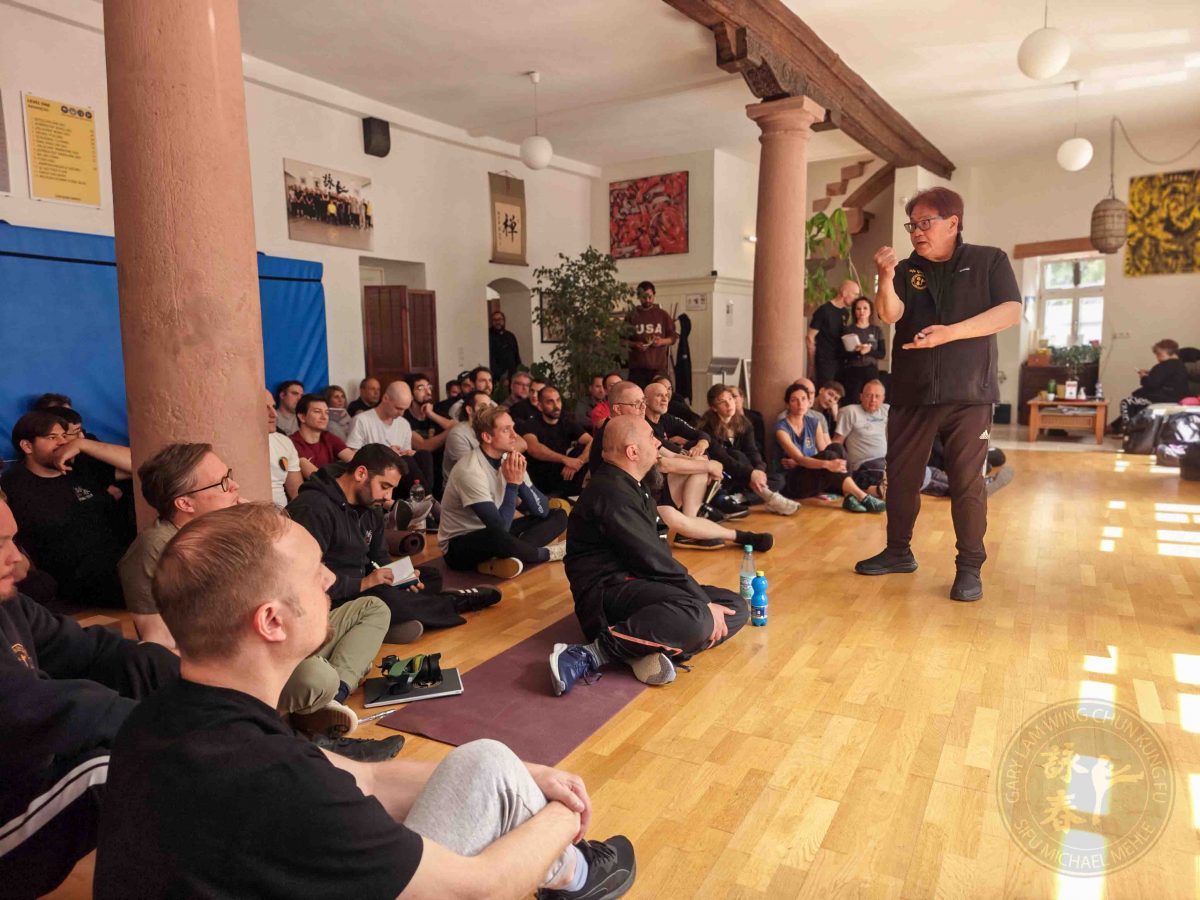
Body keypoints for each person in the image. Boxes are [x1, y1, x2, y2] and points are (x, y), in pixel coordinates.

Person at [94, 502, 635, 900]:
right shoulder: (272, 778)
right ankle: (575, 873)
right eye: (315, 573)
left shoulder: (164, 716)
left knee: (489, 760)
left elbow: (367, 779)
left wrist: (528, 775)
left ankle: (570, 873)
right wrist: (562, 817)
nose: (331, 578)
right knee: (502, 802)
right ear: (272, 622)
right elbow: (480, 887)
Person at [117, 443, 393, 750]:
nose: (235, 486)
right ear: (184, 503)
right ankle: (300, 721)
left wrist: (263, 522)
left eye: (230, 475)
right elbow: (160, 646)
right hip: (242, 663)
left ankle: (330, 701)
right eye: (222, 483)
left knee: (373, 608)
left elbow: (303, 570)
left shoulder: (228, 528)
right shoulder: (158, 547)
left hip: (276, 632)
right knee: (316, 676)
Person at [0, 491, 178, 898]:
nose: (17, 560)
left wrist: (178, 672)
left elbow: (90, 650)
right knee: (117, 768)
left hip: (27, 769)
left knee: (144, 667)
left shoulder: (8, 603)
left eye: (13, 540)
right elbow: (25, 706)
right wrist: (170, 726)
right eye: (0, 544)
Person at [854, 186, 1021, 602]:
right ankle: (898, 552)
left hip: (969, 393)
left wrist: (951, 333)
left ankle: (969, 568)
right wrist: (886, 277)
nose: (916, 232)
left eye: (925, 223)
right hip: (912, 391)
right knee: (902, 477)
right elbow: (890, 313)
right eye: (912, 224)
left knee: (967, 482)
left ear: (953, 223)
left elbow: (1010, 311)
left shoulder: (989, 260)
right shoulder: (908, 269)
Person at [551, 416, 749, 694]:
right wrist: (703, 604)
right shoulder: (611, 491)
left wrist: (705, 604)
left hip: (639, 583)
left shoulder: (634, 485)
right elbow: (654, 560)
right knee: (700, 617)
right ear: (632, 452)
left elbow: (655, 559)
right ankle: (592, 653)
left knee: (735, 606)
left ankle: (642, 648)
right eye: (650, 437)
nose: (658, 442)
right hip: (606, 597)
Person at [288, 444, 490, 639]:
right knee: (385, 599)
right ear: (361, 473)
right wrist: (364, 583)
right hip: (332, 597)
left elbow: (379, 555)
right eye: (385, 486)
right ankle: (453, 603)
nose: (388, 497)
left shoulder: (371, 504)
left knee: (430, 577)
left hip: (364, 582)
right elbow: (305, 579)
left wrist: (402, 576)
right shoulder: (313, 508)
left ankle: (396, 618)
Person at [600, 383, 771, 552]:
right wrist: (708, 466)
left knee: (698, 469)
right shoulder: (612, 435)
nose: (643, 408)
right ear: (618, 409)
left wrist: (703, 463)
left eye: (643, 402)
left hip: (646, 496)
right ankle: (718, 531)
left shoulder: (638, 428)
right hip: (626, 508)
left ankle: (712, 532)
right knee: (672, 510)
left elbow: (672, 454)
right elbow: (663, 464)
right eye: (636, 404)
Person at [1, 411, 132, 608]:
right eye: (52, 437)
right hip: (79, 577)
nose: (62, 442)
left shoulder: (80, 468)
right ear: (27, 446)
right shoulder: (13, 486)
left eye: (64, 435)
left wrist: (83, 444)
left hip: (124, 556)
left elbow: (141, 465)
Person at [439, 406, 568, 579]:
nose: (515, 435)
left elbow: (542, 510)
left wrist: (520, 481)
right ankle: (543, 554)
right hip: (459, 546)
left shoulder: (509, 459)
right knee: (498, 537)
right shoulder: (470, 471)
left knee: (558, 515)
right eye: (506, 430)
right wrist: (512, 484)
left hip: (498, 532)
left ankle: (508, 556)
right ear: (487, 437)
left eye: (513, 428)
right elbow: (499, 529)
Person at [775, 383, 886, 514]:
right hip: (793, 481)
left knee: (836, 448)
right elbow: (800, 459)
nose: (800, 404)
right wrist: (827, 464)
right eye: (794, 400)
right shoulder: (782, 428)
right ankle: (862, 496)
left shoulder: (813, 422)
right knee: (829, 458)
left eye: (803, 399)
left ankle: (849, 496)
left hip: (811, 473)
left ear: (809, 401)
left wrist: (830, 463)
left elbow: (825, 451)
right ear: (788, 404)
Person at [698, 384, 799, 515]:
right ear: (714, 408)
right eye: (722, 402)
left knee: (779, 479)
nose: (729, 404)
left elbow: (752, 451)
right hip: (723, 475)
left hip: (744, 477)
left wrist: (759, 470)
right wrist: (751, 474)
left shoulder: (744, 423)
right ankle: (769, 496)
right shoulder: (707, 427)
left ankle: (737, 499)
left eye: (730, 398)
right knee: (736, 454)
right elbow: (723, 458)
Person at [519, 385, 592, 498]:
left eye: (558, 400)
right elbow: (534, 449)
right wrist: (565, 459)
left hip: (562, 476)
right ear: (540, 406)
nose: (556, 406)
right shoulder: (530, 424)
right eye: (550, 402)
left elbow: (591, 441)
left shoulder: (566, 421)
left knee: (582, 450)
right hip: (538, 481)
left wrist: (578, 462)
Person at [1118, 339, 1191, 430]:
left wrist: (1144, 377)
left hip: (1163, 399)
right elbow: (1167, 378)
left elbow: (1151, 385)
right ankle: (1118, 426)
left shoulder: (1163, 366)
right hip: (1180, 398)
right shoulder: (1181, 366)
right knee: (1138, 398)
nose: (1157, 358)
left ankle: (1128, 430)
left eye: (1158, 354)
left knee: (1126, 402)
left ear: (1164, 352)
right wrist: (1151, 373)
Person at [833, 380, 889, 496]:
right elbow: (837, 443)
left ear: (883, 399)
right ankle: (877, 490)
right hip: (864, 466)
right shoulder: (850, 412)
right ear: (861, 397)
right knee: (886, 471)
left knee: (927, 472)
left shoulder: (886, 411)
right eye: (869, 395)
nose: (873, 400)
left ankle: (878, 490)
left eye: (877, 396)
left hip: (884, 462)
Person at [624, 281, 677, 387]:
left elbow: (673, 337)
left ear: (654, 295)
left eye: (650, 297)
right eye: (644, 297)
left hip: (658, 368)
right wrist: (635, 344)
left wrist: (661, 341)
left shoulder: (662, 314)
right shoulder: (631, 316)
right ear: (639, 297)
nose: (647, 300)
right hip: (637, 369)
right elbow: (621, 340)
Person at [291, 393, 354, 478]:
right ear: (302, 417)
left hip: (331, 483)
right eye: (317, 411)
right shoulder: (292, 442)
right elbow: (317, 478)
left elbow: (356, 461)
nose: (324, 417)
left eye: (326, 412)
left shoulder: (329, 437)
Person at [807, 280, 855, 387]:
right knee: (825, 389)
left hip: (840, 360)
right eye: (854, 294)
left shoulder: (845, 313)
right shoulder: (824, 310)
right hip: (825, 360)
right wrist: (811, 364)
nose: (856, 298)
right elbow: (810, 337)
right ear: (844, 293)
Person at [840, 297, 886, 403]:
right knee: (853, 399)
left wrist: (869, 351)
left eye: (865, 308)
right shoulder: (848, 330)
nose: (862, 311)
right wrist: (858, 352)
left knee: (871, 399)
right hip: (853, 370)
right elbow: (842, 354)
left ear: (870, 311)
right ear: (854, 311)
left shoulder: (877, 330)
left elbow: (882, 354)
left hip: (871, 370)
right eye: (858, 309)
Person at [443, 389, 495, 482]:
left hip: (488, 481)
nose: (488, 411)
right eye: (483, 407)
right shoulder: (458, 434)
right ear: (469, 410)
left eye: (489, 406)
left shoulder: (492, 428)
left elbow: (519, 444)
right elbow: (470, 471)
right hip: (463, 486)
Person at [264, 391, 302, 507]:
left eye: (273, 407)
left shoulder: (285, 442)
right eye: (265, 408)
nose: (274, 414)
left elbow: (296, 493)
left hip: (282, 514)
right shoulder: (232, 446)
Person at [488, 309, 522, 384]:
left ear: (504, 321)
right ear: (492, 322)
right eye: (495, 320)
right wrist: (501, 376)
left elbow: (516, 356)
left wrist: (519, 373)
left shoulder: (510, 336)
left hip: (512, 375)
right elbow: (491, 358)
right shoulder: (488, 336)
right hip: (496, 377)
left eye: (499, 319)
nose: (497, 322)